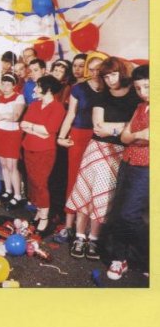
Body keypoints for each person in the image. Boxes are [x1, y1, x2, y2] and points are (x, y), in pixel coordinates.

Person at [67, 57, 140, 261]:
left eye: (113, 75)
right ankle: (80, 236)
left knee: (103, 196)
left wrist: (116, 129)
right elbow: (99, 127)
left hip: (119, 152)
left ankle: (94, 238)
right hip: (96, 148)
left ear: (121, 73)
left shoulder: (134, 96)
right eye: (106, 76)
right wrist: (122, 127)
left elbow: (135, 128)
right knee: (85, 192)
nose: (109, 80)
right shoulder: (101, 97)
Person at [53, 55, 103, 243]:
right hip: (79, 136)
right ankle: (68, 226)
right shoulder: (79, 88)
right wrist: (61, 137)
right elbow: (70, 115)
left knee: (93, 183)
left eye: (99, 69)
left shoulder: (108, 89)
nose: (95, 73)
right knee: (73, 180)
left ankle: (88, 228)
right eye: (92, 69)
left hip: (98, 139)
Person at [106, 65, 149, 280]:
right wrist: (140, 135)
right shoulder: (141, 107)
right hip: (128, 160)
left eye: (147, 87)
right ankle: (119, 258)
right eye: (138, 88)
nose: (143, 92)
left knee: (129, 215)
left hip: (147, 167)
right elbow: (125, 137)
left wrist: (134, 135)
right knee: (118, 212)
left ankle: (146, 256)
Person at [20, 75, 65, 235]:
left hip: (45, 151)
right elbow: (23, 124)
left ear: (48, 89)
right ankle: (39, 210)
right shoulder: (34, 105)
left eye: (38, 86)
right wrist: (38, 130)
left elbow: (49, 130)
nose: (35, 89)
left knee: (41, 183)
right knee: (32, 182)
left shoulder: (58, 108)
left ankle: (44, 216)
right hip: (29, 148)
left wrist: (33, 128)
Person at [0, 73, 25, 209]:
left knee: (12, 166)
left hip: (12, 134)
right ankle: (8, 190)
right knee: (3, 164)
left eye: (8, 84)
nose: (5, 87)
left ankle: (17, 195)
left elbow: (15, 117)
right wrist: (5, 115)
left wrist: (0, 115)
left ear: (14, 85)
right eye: (3, 84)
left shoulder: (19, 97)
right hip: (0, 133)